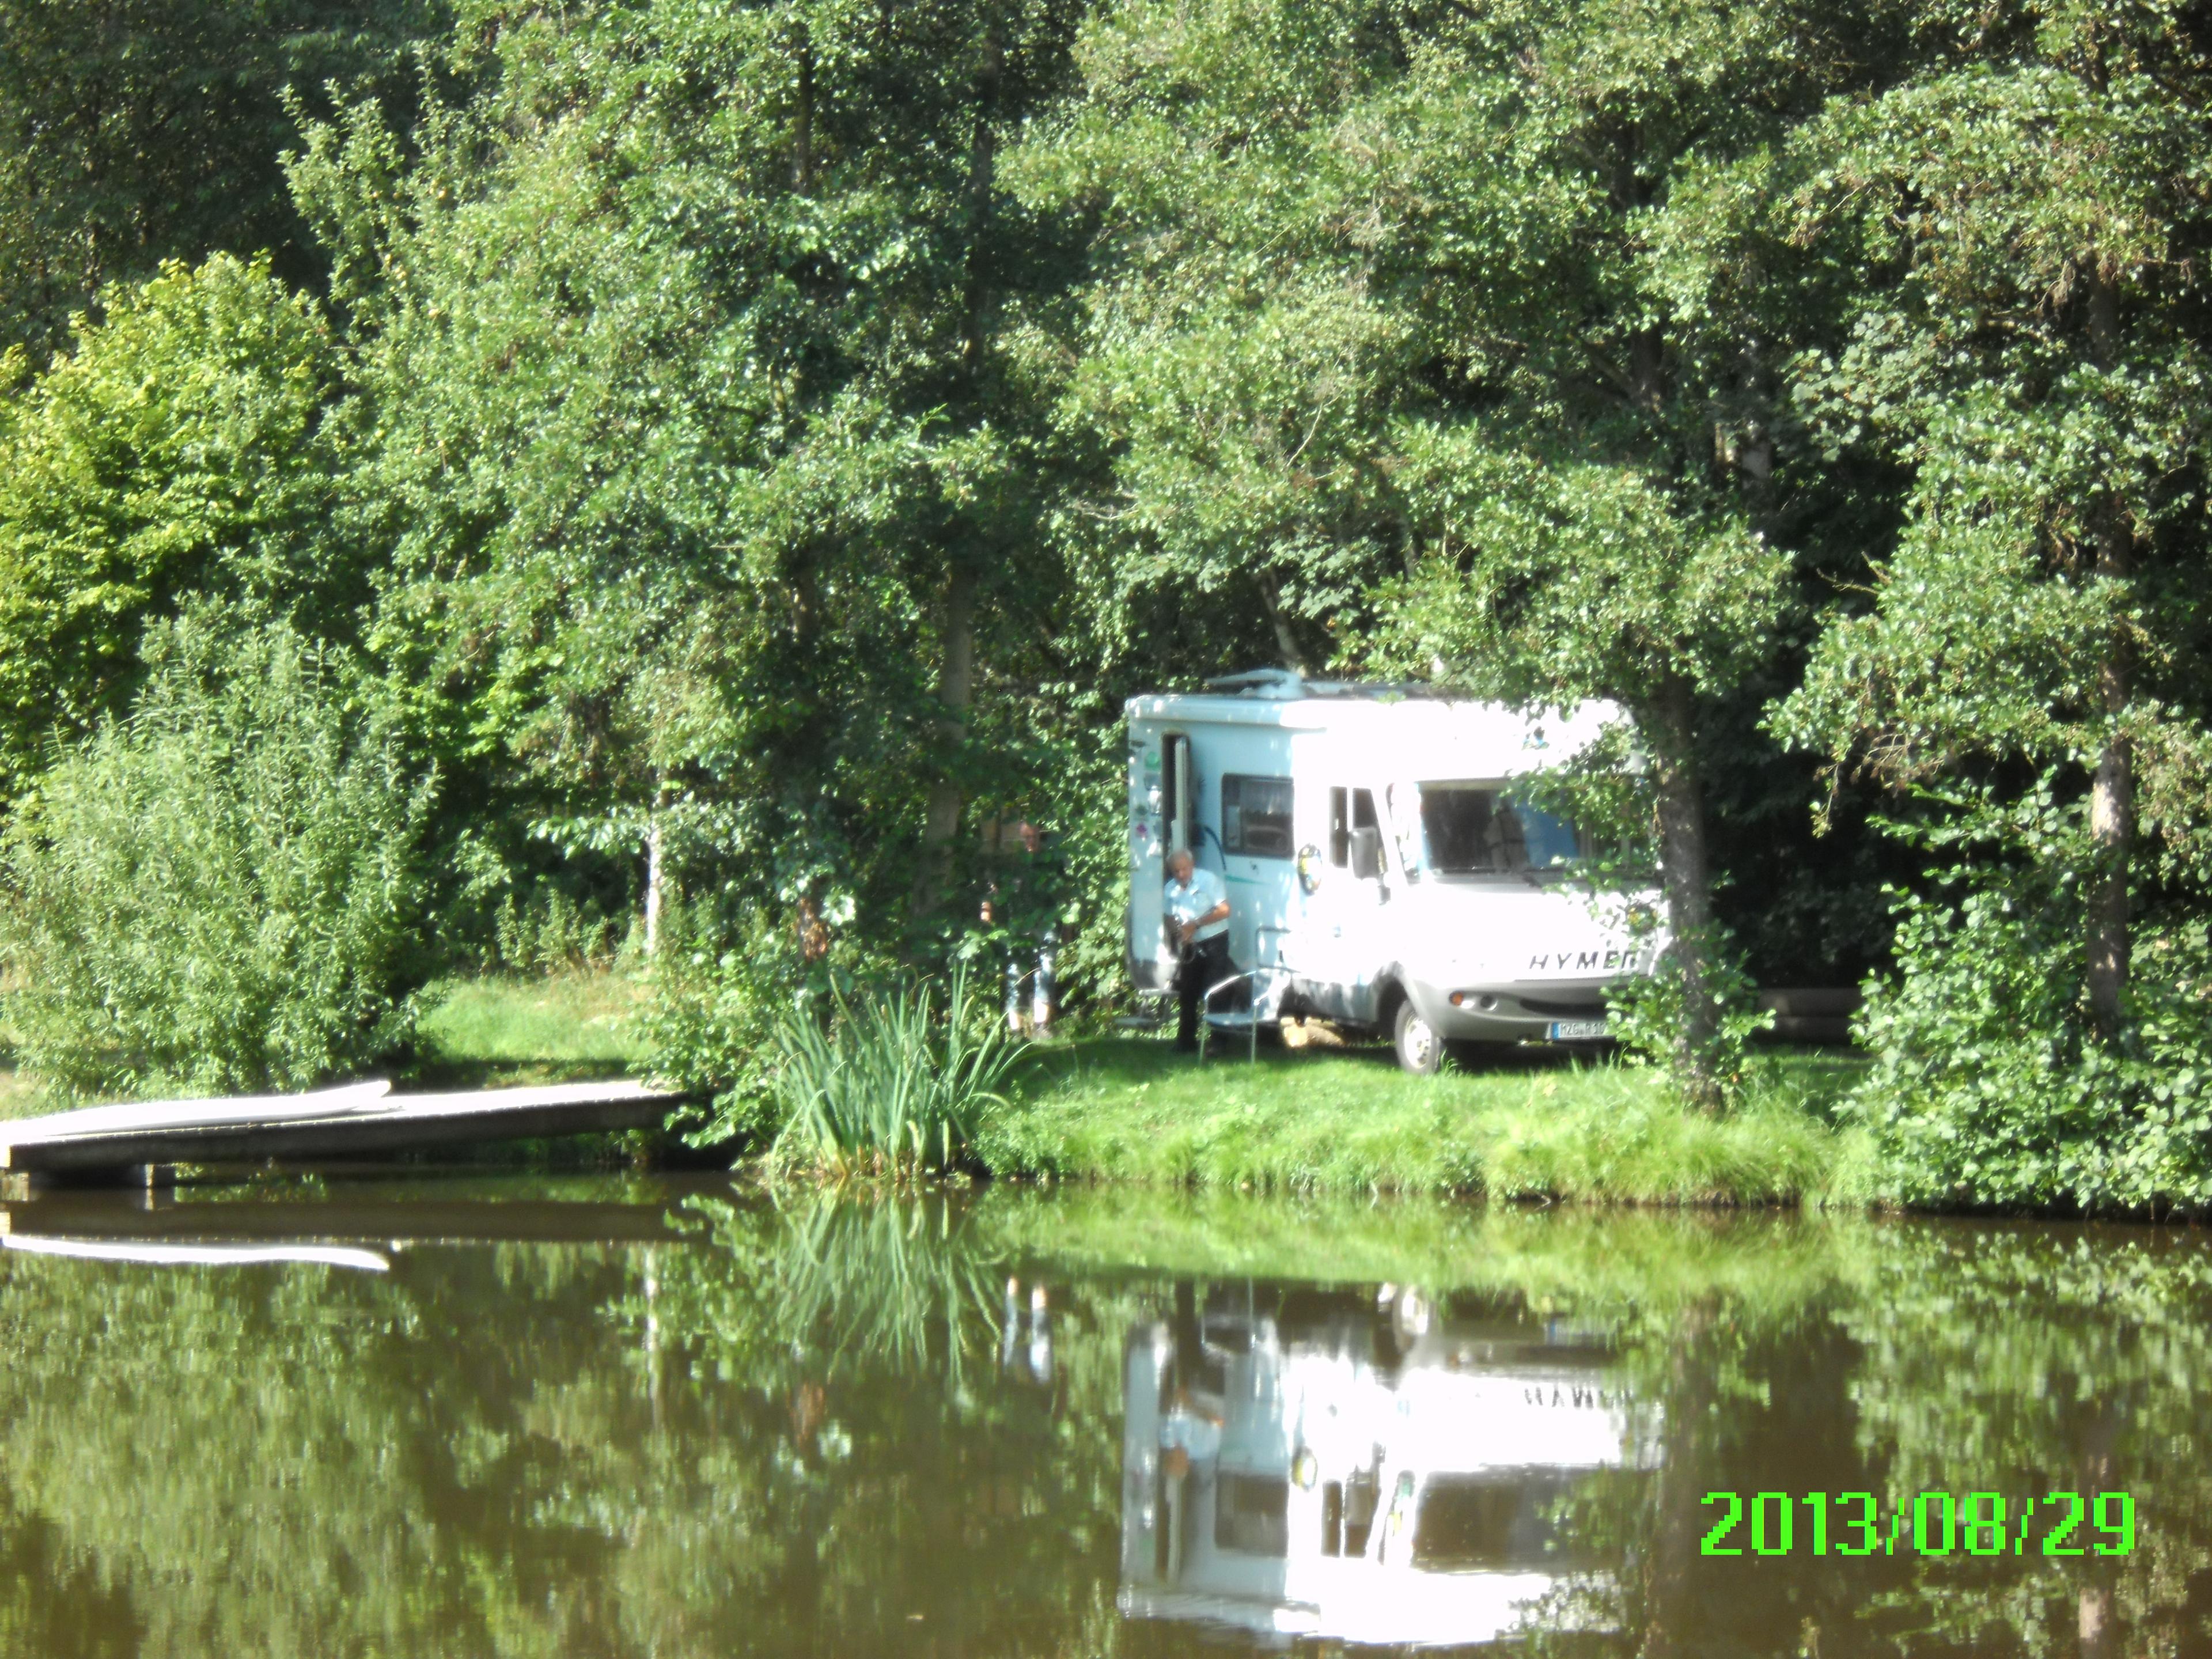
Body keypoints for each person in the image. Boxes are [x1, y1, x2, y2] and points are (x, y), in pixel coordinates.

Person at [1162, 847, 1232, 1053]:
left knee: (1215, 990)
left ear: (1192, 866)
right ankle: (1186, 1041)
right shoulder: (1170, 889)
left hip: (1215, 941)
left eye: (1184, 869)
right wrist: (1177, 933)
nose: (1181, 875)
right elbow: (1168, 916)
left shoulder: (1208, 881)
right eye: (1176, 871)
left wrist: (1196, 924)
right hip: (1190, 945)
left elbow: (1225, 910)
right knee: (1188, 993)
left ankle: (1218, 1042)